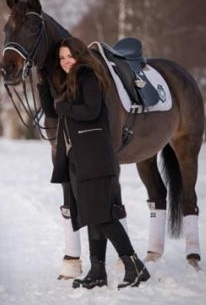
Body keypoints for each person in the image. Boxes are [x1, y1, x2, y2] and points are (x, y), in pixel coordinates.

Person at [49, 37, 150, 289]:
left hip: (95, 159)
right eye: (61, 58)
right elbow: (57, 108)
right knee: (92, 216)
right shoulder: (71, 82)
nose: (65, 62)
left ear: (80, 55)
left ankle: (135, 265)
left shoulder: (89, 76)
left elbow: (90, 111)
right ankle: (97, 271)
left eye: (69, 56)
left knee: (103, 216)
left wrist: (64, 108)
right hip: (79, 160)